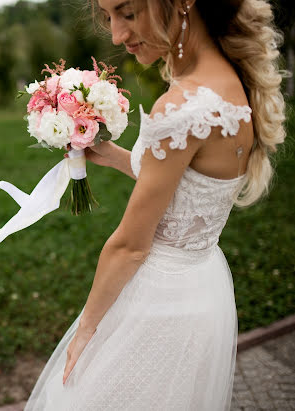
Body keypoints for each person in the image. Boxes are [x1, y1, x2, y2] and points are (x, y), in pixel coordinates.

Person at [24, 0, 287, 409]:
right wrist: (113, 156)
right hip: (203, 282)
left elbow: (130, 246)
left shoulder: (181, 108)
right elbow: (188, 188)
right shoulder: (230, 81)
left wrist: (86, 331)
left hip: (159, 300)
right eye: (108, 17)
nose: (116, 35)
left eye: (128, 14)